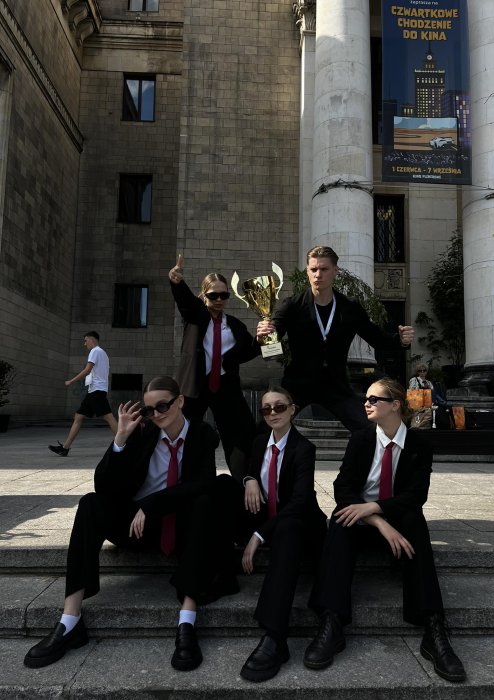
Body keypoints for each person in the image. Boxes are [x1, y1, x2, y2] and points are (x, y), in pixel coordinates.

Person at [26, 376, 223, 672]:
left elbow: (204, 482)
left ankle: (187, 618)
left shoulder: (202, 433)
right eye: (149, 409)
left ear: (180, 401)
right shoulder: (142, 432)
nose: (156, 414)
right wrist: (119, 439)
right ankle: (70, 619)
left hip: (181, 527)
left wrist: (152, 504)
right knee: (90, 503)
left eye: (163, 406)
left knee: (204, 502)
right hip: (136, 527)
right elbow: (104, 486)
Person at [303, 377, 466, 683]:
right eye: (366, 399)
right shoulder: (361, 439)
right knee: (340, 518)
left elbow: (416, 496)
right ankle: (331, 621)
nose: (366, 403)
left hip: (397, 518)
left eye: (374, 399)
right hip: (364, 522)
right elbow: (342, 487)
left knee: (415, 520)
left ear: (395, 405)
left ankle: (433, 627)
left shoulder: (419, 445)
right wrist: (376, 519)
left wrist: (376, 509)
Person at [216, 387, 327, 682]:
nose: (273, 413)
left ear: (292, 409)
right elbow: (251, 472)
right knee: (223, 486)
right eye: (266, 409)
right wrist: (249, 479)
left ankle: (275, 637)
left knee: (287, 528)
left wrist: (259, 535)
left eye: (279, 407)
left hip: (301, 523)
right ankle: (218, 575)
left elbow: (300, 502)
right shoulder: (259, 442)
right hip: (268, 517)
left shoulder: (304, 448)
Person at [256, 246, 415, 431]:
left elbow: (376, 338)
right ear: (307, 271)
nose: (318, 275)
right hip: (298, 384)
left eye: (324, 269)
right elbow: (272, 338)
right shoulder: (292, 306)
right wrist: (264, 335)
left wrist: (401, 340)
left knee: (368, 430)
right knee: (264, 432)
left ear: (335, 271)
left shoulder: (350, 307)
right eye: (313, 269)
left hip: (336, 385)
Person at [169, 255, 260, 481]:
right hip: (195, 387)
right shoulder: (195, 316)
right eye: (213, 295)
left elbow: (249, 351)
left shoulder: (235, 325)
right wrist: (177, 282)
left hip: (226, 386)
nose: (219, 300)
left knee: (241, 434)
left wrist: (266, 338)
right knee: (186, 433)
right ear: (204, 295)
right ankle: (184, 480)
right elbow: (186, 302)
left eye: (224, 295)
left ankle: (245, 481)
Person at [48, 331, 117, 457]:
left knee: (109, 417)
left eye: (86, 341)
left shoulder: (95, 351)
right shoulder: (103, 353)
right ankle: (65, 448)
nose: (85, 344)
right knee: (79, 417)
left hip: (97, 391)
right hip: (94, 391)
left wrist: (71, 381)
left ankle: (126, 444)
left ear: (92, 339)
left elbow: (87, 370)